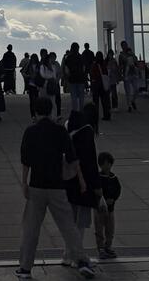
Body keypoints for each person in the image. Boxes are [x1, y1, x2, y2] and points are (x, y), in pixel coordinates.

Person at [17, 95, 95, 280]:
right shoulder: (60, 131)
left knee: (31, 229)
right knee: (68, 226)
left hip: (37, 185)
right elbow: (72, 158)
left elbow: (26, 160)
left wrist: (24, 183)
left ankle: (26, 268)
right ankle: (82, 261)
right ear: (51, 110)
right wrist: (82, 181)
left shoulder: (30, 131)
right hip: (58, 186)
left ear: (36, 111)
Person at [66, 109, 102, 260]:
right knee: (81, 223)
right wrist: (97, 185)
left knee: (70, 221)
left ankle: (67, 254)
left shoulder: (68, 134)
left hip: (69, 182)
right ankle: (77, 256)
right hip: (84, 183)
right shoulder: (86, 134)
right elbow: (91, 162)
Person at [96, 150, 121, 260]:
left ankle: (108, 246)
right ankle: (101, 248)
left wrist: (113, 199)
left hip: (111, 208)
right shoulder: (98, 177)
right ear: (101, 165)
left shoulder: (113, 178)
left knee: (110, 229)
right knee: (99, 228)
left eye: (110, 164)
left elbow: (118, 190)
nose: (108, 166)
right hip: (100, 208)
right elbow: (96, 191)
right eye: (106, 164)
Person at [89, 49, 111, 121]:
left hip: (96, 85)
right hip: (104, 85)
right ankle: (107, 115)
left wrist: (91, 85)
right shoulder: (104, 64)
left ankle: (95, 116)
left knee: (96, 102)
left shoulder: (94, 65)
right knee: (105, 102)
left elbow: (92, 75)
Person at [65, 42, 86, 112]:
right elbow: (84, 69)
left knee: (74, 97)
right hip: (81, 79)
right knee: (81, 97)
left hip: (72, 80)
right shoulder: (81, 57)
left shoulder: (68, 58)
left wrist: (68, 77)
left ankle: (75, 112)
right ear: (78, 48)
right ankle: (81, 111)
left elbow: (67, 70)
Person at [118, 41, 138, 111]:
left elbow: (136, 61)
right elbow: (120, 66)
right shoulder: (121, 56)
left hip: (133, 73)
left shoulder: (131, 53)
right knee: (128, 91)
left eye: (126, 45)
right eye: (124, 45)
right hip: (126, 74)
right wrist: (120, 75)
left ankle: (133, 100)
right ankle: (129, 106)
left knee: (136, 89)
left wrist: (132, 54)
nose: (125, 46)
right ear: (122, 46)